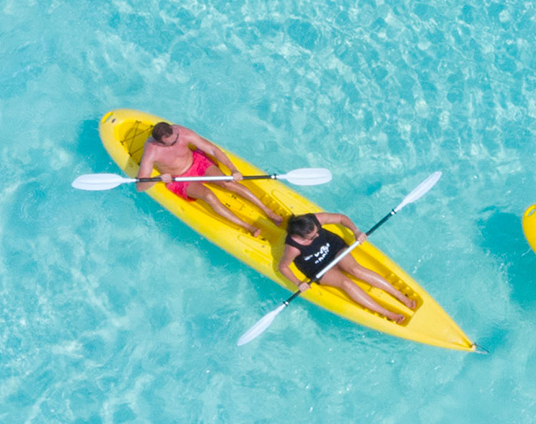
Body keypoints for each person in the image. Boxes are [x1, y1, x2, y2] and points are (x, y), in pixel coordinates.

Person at [136, 121, 282, 237]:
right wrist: (158, 178)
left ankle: (267, 211)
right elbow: (140, 186)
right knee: (208, 196)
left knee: (228, 182)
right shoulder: (151, 151)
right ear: (160, 143)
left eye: (176, 137)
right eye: (172, 143)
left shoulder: (180, 132)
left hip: (197, 162)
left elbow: (212, 150)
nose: (177, 141)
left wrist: (233, 169)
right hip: (180, 179)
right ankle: (247, 226)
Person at [278, 212, 417, 324]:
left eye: (317, 231)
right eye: (313, 237)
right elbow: (283, 267)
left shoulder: (314, 219)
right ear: (300, 237)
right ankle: (387, 313)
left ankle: (400, 296)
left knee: (356, 270)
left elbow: (340, 218)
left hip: (333, 247)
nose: (318, 235)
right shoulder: (292, 248)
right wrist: (298, 283)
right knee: (346, 283)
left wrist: (356, 231)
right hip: (317, 266)